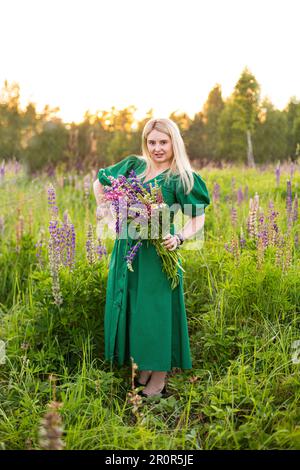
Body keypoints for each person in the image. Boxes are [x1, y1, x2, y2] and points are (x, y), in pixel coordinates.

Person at [93, 118, 210, 398]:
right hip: (127, 250)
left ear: (174, 143)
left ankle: (158, 377)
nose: (157, 148)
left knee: (155, 313)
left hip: (158, 253)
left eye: (163, 142)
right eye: (151, 142)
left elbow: (198, 217)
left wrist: (179, 237)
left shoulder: (180, 177)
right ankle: (142, 365)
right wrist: (107, 213)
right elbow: (99, 182)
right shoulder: (134, 166)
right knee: (133, 308)